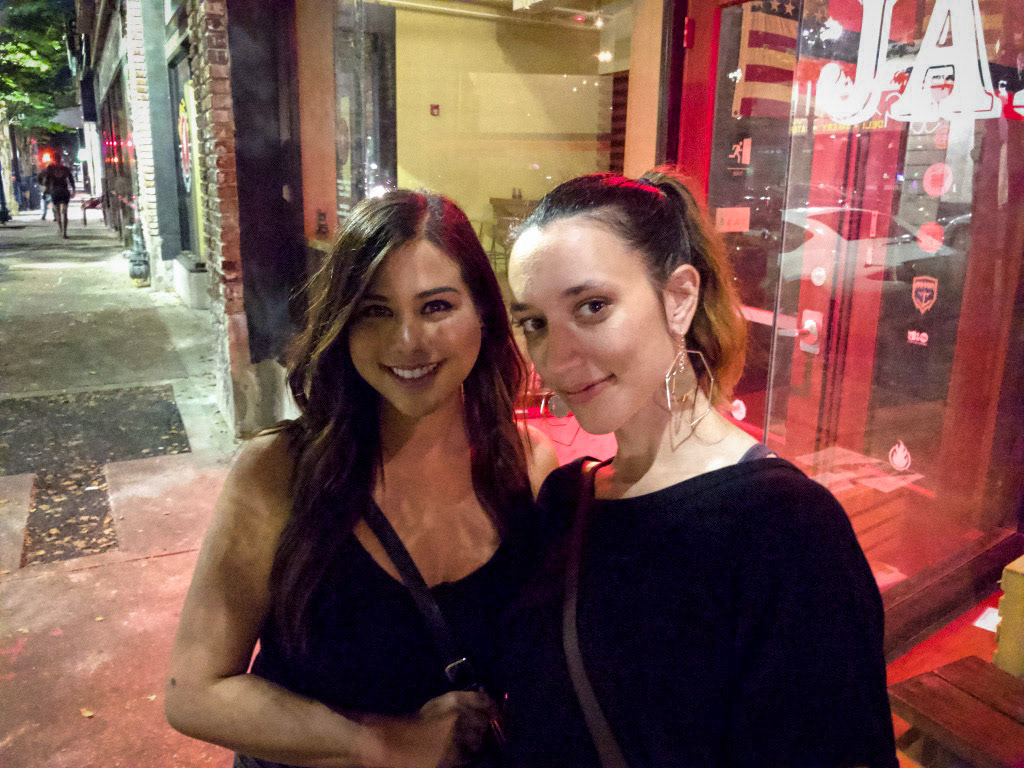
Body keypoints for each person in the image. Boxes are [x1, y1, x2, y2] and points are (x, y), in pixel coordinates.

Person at [500, 168, 898, 767]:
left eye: (592, 306)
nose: (555, 358)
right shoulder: (565, 501)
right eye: (535, 323)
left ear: (679, 298)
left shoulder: (783, 527)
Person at [165, 190, 557, 768]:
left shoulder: (528, 467)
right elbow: (195, 693)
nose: (408, 341)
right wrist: (383, 743)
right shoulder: (280, 473)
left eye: (436, 306)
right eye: (376, 311)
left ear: (484, 313)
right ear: (344, 325)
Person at [39, 155, 75, 237]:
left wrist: (46, 187)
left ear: (53, 159)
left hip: (55, 192)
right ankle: (64, 232)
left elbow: (42, 178)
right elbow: (71, 179)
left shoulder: (50, 168)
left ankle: (61, 230)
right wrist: (73, 189)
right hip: (64, 191)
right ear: (60, 159)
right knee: (65, 212)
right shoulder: (65, 169)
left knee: (58, 213)